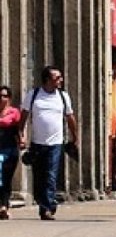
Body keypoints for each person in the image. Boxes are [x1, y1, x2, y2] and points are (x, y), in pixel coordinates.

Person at [20, 66, 78, 221]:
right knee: (39, 177)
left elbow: (70, 117)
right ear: (47, 80)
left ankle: (46, 208)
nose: (61, 80)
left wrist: (75, 136)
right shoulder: (33, 95)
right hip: (37, 143)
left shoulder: (63, 96)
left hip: (56, 143)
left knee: (50, 176)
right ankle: (46, 203)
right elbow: (24, 116)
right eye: (57, 78)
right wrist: (21, 135)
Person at [0, 85, 24, 220]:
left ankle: (4, 206)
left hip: (10, 150)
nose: (2, 99)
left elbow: (18, 130)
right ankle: (2, 205)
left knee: (6, 179)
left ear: (9, 98)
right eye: (0, 96)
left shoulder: (14, 113)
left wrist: (22, 141)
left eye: (5, 96)